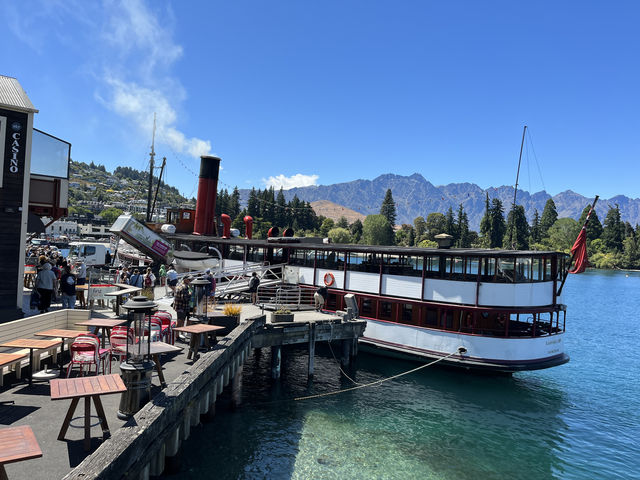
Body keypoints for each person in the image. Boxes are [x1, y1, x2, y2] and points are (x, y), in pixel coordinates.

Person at [173, 276, 192, 340]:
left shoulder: (179, 285)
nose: (190, 281)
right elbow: (185, 298)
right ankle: (177, 336)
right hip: (182, 306)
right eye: (189, 280)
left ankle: (178, 334)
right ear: (186, 280)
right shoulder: (185, 287)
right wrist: (190, 294)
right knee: (180, 321)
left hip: (178, 306)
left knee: (180, 320)